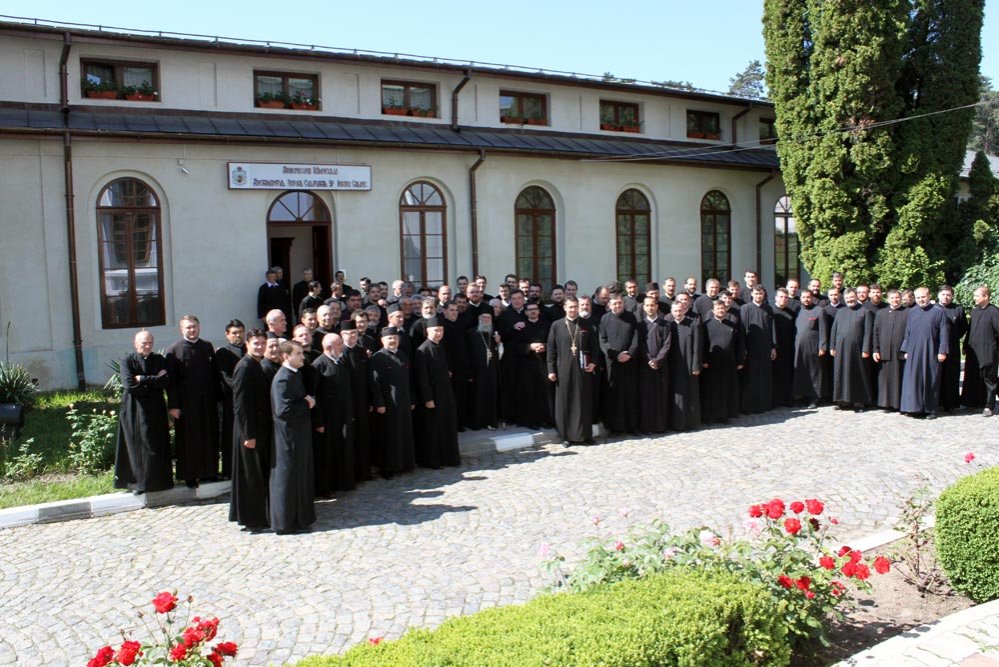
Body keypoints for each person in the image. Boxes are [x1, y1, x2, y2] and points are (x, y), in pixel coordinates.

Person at [114, 330, 173, 495]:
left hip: (156, 408)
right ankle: (138, 483)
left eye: (150, 343)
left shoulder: (159, 360)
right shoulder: (127, 361)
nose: (147, 346)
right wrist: (154, 380)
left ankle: (160, 482)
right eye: (144, 343)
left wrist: (143, 379)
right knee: (137, 445)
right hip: (134, 408)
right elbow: (129, 385)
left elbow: (165, 381)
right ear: (135, 343)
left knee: (156, 442)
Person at [165, 315, 221, 488]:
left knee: (208, 436)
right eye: (188, 327)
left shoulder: (207, 346)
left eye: (194, 326)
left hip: (207, 402)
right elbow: (171, 381)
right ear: (182, 329)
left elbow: (214, 374)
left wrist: (218, 398)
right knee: (188, 440)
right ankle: (189, 475)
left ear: (199, 327)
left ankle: (209, 473)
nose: (192, 330)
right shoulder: (173, 350)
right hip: (186, 404)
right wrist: (173, 406)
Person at [269, 340, 317, 534]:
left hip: (298, 434)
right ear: (286, 356)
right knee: (288, 478)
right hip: (288, 437)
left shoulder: (294, 375)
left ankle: (300, 519)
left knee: (299, 476)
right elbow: (283, 410)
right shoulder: (282, 378)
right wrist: (307, 404)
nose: (302, 356)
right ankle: (286, 523)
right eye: (298, 353)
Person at [229, 328, 271, 531]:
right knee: (250, 476)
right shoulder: (244, 367)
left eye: (263, 343)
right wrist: (249, 435)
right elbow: (241, 404)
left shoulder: (256, 365)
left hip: (258, 428)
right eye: (256, 343)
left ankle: (258, 515)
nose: (260, 346)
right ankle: (252, 519)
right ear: (247, 344)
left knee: (256, 474)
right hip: (249, 431)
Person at [547, 296, 600, 445]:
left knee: (584, 402)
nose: (573, 310)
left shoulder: (586, 325)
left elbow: (595, 347)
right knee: (566, 403)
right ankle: (567, 437)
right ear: (564, 308)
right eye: (570, 307)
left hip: (583, 370)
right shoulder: (556, 326)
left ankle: (585, 436)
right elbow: (551, 349)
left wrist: (594, 363)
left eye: (575, 307)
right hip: (563, 371)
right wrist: (551, 370)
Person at [368, 326, 416, 478]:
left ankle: (404, 464)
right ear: (382, 340)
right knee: (389, 436)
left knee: (404, 433)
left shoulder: (403, 355)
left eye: (395, 338)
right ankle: (388, 468)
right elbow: (374, 383)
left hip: (404, 401)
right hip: (388, 404)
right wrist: (379, 403)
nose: (393, 340)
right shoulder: (378, 357)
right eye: (389, 338)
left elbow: (409, 380)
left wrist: (412, 399)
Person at [312, 333, 355, 495]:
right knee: (327, 453)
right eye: (339, 344)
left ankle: (343, 481)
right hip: (328, 418)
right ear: (329, 347)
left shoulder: (341, 362)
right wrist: (319, 421)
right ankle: (326, 486)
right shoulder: (318, 365)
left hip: (343, 416)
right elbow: (314, 396)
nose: (343, 346)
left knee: (343, 449)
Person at [414, 317, 460, 468]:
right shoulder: (423, 350)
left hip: (445, 394)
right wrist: (428, 399)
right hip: (433, 397)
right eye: (436, 330)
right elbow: (422, 377)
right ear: (428, 331)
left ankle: (449, 458)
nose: (439, 333)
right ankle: (434, 461)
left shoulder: (440, 346)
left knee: (447, 427)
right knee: (434, 430)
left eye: (441, 330)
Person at [899, 287, 949, 419]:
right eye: (918, 297)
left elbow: (944, 333)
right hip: (914, 351)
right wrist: (906, 349)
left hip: (931, 350)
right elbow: (907, 332)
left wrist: (942, 351)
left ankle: (930, 410)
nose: (921, 300)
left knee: (930, 379)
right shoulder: (913, 312)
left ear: (929, 296)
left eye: (923, 297)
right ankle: (915, 408)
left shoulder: (939, 312)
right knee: (914, 379)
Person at [599, 293, 639, 435]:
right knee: (614, 394)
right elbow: (603, 341)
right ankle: (615, 427)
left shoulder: (631, 317)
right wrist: (616, 355)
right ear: (609, 305)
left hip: (629, 362)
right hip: (612, 363)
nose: (617, 306)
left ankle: (632, 425)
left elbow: (636, 338)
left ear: (624, 304)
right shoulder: (604, 319)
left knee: (630, 394)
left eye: (620, 303)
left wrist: (629, 354)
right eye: (614, 303)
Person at [701, 299, 745, 423]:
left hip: (728, 362)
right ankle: (710, 416)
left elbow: (739, 343)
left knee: (726, 389)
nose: (721, 311)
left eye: (722, 308)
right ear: (713, 310)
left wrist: (739, 360)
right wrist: (704, 360)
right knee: (712, 390)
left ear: (726, 309)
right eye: (718, 308)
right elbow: (703, 344)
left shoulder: (732, 324)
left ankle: (724, 415)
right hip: (712, 362)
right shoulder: (706, 324)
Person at [830, 288, 874, 411]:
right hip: (841, 349)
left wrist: (866, 349)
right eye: (847, 298)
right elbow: (834, 329)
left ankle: (859, 401)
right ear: (844, 298)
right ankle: (843, 401)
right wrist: (832, 346)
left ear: (856, 297)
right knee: (841, 374)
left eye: (852, 297)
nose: (850, 299)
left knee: (858, 374)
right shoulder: (840, 311)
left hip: (858, 350)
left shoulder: (865, 312)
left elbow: (868, 332)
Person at [339, 321, 373, 480]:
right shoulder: (340, 353)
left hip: (363, 401)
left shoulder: (361, 351)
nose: (352, 336)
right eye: (348, 333)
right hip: (347, 402)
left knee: (364, 436)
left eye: (354, 333)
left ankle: (365, 471)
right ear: (342, 335)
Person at [515, 301, 554, 428]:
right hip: (527, 365)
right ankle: (531, 421)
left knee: (544, 392)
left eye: (535, 309)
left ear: (539, 311)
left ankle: (546, 420)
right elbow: (515, 346)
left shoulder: (547, 325)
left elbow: (554, 343)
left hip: (543, 363)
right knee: (529, 393)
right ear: (525, 312)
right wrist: (530, 347)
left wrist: (545, 346)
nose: (532, 311)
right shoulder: (521, 326)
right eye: (530, 309)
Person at [665, 300, 702, 431]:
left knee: (690, 393)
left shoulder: (693, 324)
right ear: (671, 312)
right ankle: (675, 423)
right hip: (673, 365)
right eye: (675, 311)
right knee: (675, 394)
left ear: (684, 310)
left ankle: (690, 423)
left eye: (680, 310)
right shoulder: (668, 325)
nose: (678, 313)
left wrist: (696, 365)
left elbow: (697, 347)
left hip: (689, 364)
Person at [636, 295, 671, 434]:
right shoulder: (640, 326)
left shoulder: (665, 324)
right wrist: (649, 359)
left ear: (657, 306)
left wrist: (658, 360)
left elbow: (667, 344)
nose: (650, 308)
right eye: (647, 305)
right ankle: (648, 426)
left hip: (661, 366)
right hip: (645, 367)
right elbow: (640, 344)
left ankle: (661, 425)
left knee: (661, 395)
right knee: (647, 396)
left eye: (652, 305)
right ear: (644, 307)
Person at [962, 286, 999, 415]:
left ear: (985, 297)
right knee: (973, 377)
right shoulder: (975, 311)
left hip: (988, 351)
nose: (974, 298)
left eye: (977, 296)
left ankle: (989, 405)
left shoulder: (994, 312)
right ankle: (973, 402)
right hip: (973, 352)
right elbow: (971, 330)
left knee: (989, 379)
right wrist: (966, 345)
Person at [215, 319, 245, 480]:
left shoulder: (249, 349)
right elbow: (225, 377)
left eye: (240, 332)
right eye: (234, 333)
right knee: (231, 435)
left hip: (249, 400)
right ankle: (229, 470)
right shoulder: (222, 353)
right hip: (231, 400)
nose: (238, 336)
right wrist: (243, 390)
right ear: (227, 335)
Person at [739, 285, 775, 414]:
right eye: (756, 293)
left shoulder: (768, 309)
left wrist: (773, 347)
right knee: (750, 377)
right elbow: (742, 330)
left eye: (761, 294)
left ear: (763, 295)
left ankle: (763, 404)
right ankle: (749, 406)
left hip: (765, 348)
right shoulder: (745, 309)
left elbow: (771, 329)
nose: (758, 296)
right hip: (751, 348)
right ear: (752, 294)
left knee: (764, 377)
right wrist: (743, 348)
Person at [872, 289, 908, 412]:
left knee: (899, 378)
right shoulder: (881, 313)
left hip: (900, 352)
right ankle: (885, 403)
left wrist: (906, 349)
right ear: (887, 299)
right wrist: (875, 349)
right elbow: (875, 332)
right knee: (885, 379)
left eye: (897, 297)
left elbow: (910, 333)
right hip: (884, 352)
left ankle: (899, 404)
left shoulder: (907, 312)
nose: (895, 300)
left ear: (901, 298)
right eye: (892, 298)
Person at [791, 289, 827, 408]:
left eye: (808, 297)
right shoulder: (798, 310)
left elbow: (823, 329)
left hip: (813, 346)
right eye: (803, 297)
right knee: (801, 371)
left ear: (812, 298)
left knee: (814, 372)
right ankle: (802, 396)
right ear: (800, 298)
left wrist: (822, 346)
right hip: (799, 347)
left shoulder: (819, 311)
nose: (806, 299)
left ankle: (815, 397)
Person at [467, 311, 501, 429]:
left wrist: (498, 343)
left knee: (491, 396)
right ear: (479, 318)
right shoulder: (472, 333)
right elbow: (467, 354)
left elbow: (500, 353)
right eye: (484, 317)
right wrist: (469, 372)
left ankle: (491, 421)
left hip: (491, 371)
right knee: (478, 396)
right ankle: (478, 422)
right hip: (477, 371)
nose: (486, 320)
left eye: (489, 318)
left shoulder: (494, 334)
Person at [937, 286, 968, 412]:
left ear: (952, 296)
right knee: (937, 375)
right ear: (938, 295)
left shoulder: (958, 309)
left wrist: (953, 337)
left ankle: (950, 403)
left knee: (951, 376)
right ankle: (936, 401)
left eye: (948, 294)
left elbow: (963, 327)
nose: (946, 297)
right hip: (936, 347)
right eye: (943, 294)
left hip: (952, 347)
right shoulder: (933, 308)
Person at [771, 288, 797, 407]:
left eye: (785, 297)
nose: (783, 299)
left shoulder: (791, 312)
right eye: (781, 297)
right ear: (776, 298)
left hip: (788, 348)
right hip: (775, 349)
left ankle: (787, 399)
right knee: (775, 374)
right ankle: (776, 400)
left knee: (787, 374)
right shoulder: (771, 311)